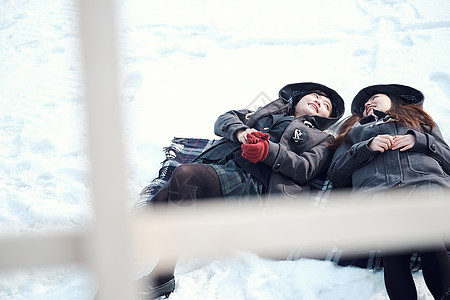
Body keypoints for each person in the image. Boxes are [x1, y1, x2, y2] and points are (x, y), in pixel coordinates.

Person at [136, 82, 345, 299]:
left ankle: (162, 278)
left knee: (184, 175)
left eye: (325, 105)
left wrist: (268, 151)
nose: (318, 102)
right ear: (298, 99)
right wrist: (242, 132)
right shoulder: (267, 111)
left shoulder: (324, 139)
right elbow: (225, 119)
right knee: (157, 208)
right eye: (314, 97)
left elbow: (305, 169)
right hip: (220, 164)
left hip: (256, 182)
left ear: (328, 118)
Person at [327, 84, 450, 300]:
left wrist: (419, 140)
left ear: (395, 100)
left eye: (374, 97)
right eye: (365, 103)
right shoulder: (354, 133)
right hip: (377, 197)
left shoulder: (419, 124)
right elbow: (337, 174)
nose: (368, 103)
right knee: (393, 244)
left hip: (425, 187)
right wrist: (366, 147)